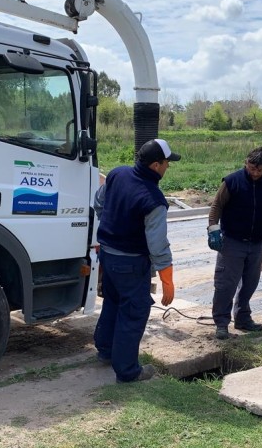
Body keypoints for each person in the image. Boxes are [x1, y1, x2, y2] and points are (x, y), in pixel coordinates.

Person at [93, 138, 179, 383]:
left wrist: (113, 226)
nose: (168, 167)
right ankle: (128, 371)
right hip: (131, 263)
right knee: (133, 313)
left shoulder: (118, 174)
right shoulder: (153, 199)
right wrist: (167, 277)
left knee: (113, 302)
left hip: (108, 256)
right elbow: (157, 244)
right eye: (166, 163)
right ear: (155, 165)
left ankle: (105, 350)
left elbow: (99, 203)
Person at [207, 147, 262, 340]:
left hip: (257, 243)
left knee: (250, 283)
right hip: (232, 242)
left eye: (259, 170)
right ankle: (222, 323)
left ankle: (242, 318)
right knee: (226, 284)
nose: (255, 173)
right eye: (251, 168)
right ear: (246, 163)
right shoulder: (232, 181)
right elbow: (217, 205)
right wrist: (213, 229)